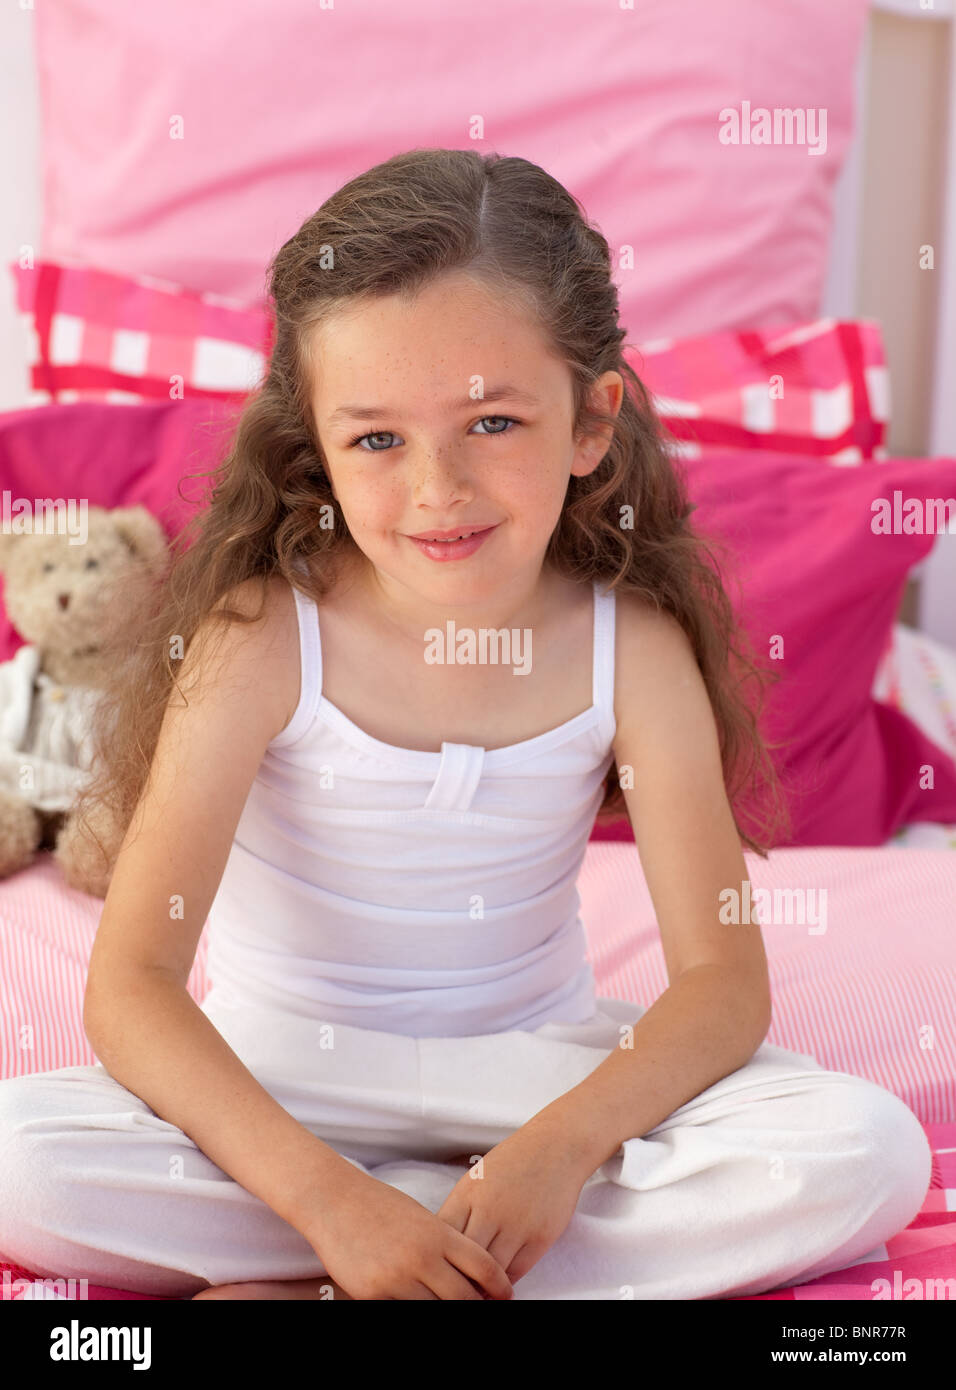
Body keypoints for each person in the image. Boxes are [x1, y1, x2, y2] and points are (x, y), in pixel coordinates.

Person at [0, 149, 931, 1302]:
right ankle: (422, 1251)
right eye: (376, 439)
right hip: (286, 1082)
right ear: (315, 443)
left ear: (590, 421)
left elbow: (720, 982)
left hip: (535, 1079)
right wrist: (328, 1199)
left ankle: (389, 1267)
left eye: (490, 421)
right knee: (22, 1163)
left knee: (865, 1152)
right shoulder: (263, 638)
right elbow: (134, 983)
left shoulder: (629, 648)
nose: (436, 487)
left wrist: (556, 1151)